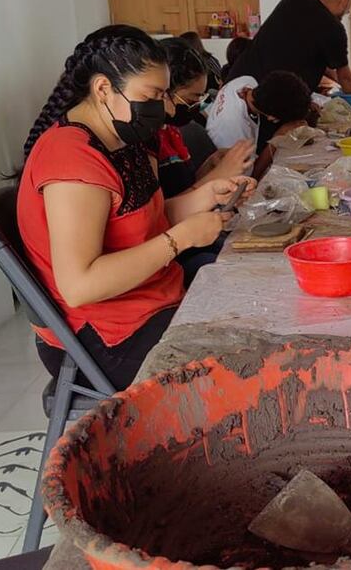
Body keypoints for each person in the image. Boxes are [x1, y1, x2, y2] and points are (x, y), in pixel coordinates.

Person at [16, 25, 255, 390]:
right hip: (106, 335)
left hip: (152, 298)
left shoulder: (124, 139)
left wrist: (208, 195)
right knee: (250, 366)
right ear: (102, 89)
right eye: (152, 95)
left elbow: (147, 219)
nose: (162, 107)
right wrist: (179, 240)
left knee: (259, 305)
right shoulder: (71, 159)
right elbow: (80, 285)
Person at [226, 0, 351, 95]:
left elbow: (314, 55)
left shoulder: (291, 0)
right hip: (262, 102)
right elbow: (345, 77)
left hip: (234, 89)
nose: (348, 10)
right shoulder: (333, 28)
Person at [156, 38, 252, 199]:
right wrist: (219, 174)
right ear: (165, 91)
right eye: (191, 99)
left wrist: (210, 165)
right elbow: (167, 210)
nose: (197, 106)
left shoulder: (171, 132)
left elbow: (186, 185)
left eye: (200, 98)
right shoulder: (148, 143)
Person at [249, 70, 314, 178]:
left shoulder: (248, 84)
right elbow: (250, 177)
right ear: (272, 117)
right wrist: (278, 137)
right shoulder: (238, 129)